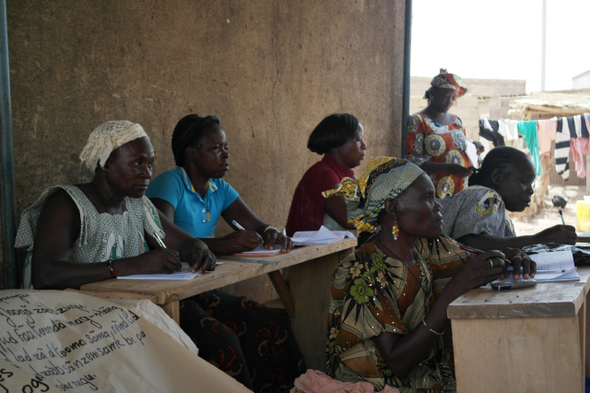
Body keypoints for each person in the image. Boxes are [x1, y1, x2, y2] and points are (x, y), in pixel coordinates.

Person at [324, 157, 534, 392]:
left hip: (426, 376)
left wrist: (509, 256)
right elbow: (397, 363)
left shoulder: (427, 246)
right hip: (379, 385)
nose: (438, 206)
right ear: (393, 207)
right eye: (427, 198)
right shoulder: (364, 270)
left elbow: (478, 264)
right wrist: (454, 290)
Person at [147, 114, 305, 393]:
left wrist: (269, 232)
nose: (226, 154)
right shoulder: (170, 183)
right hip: (171, 293)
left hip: (202, 289)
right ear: (191, 153)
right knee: (224, 341)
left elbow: (255, 224)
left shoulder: (219, 188)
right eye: (216, 148)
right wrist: (220, 244)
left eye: (226, 147)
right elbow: (159, 239)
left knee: (272, 321)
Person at [15, 120, 215, 290]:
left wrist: (199, 249)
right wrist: (134, 265)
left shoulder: (138, 205)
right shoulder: (67, 203)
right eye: (137, 163)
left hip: (119, 305)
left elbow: (181, 243)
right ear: (105, 163)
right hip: (65, 317)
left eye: (150, 164)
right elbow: (46, 276)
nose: (147, 173)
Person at [439, 146, 577, 254]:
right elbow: (470, 243)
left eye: (532, 184)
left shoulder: (487, 201)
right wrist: (539, 239)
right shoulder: (487, 195)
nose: (531, 190)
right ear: (497, 177)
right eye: (524, 181)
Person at [285, 113, 367, 236]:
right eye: (358, 139)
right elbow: (350, 219)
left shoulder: (346, 175)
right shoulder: (323, 174)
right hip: (312, 253)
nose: (364, 146)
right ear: (339, 142)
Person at [405, 69, 473, 199]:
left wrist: (475, 147)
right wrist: (447, 168)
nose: (450, 102)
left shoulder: (456, 120)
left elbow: (466, 146)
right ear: (432, 93)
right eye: (445, 96)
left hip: (458, 192)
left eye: (453, 98)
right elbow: (413, 161)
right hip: (431, 193)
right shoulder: (418, 121)